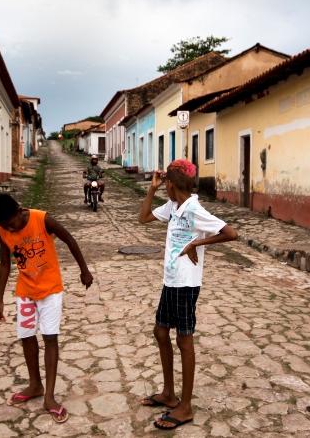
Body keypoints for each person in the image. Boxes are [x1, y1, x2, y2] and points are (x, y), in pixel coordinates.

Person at [137, 159, 238, 431]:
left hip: (186, 283)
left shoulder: (194, 209)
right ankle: (169, 394)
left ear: (171, 184)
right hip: (171, 280)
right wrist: (150, 191)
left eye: (164, 184)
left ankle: (186, 407)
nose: (163, 187)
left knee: (184, 340)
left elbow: (231, 233)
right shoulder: (173, 207)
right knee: (160, 332)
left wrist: (198, 241)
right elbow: (143, 218)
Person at [0, 193, 94, 424]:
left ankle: (49, 396)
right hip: (25, 292)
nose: (11, 229)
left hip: (51, 290)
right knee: (27, 337)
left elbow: (69, 239)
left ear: (19, 211)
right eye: (5, 226)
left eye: (11, 223)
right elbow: (5, 263)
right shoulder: (3, 230)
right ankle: (35, 385)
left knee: (49, 338)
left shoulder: (42, 219)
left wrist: (84, 270)